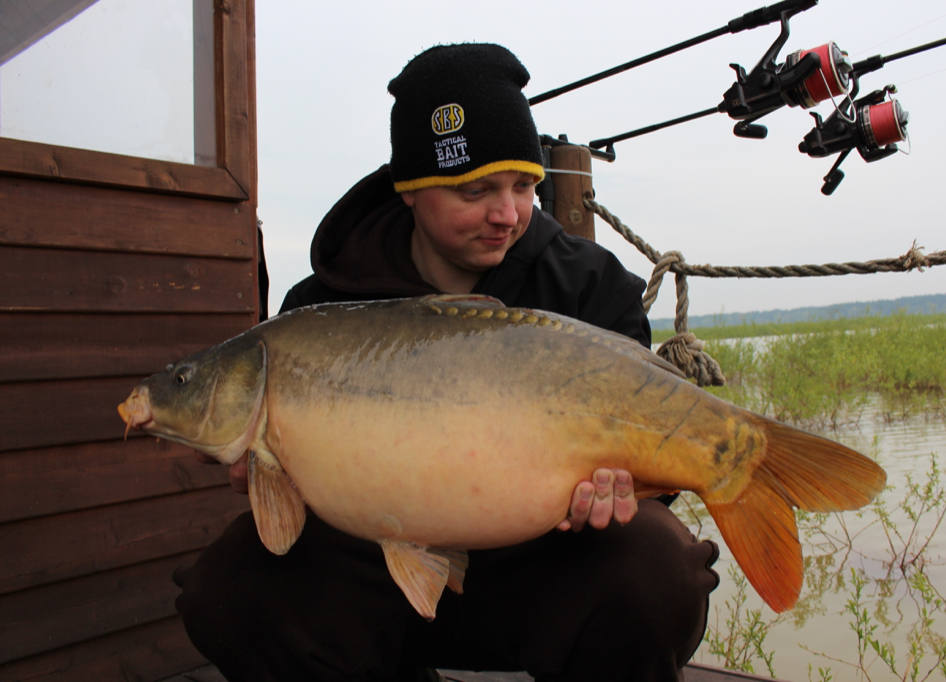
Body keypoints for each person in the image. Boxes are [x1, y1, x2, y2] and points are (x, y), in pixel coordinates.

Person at [173, 43, 719, 682]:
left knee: (660, 569)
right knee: (224, 591)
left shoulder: (591, 287)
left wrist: (625, 489)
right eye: (475, 189)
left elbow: (654, 455)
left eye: (524, 185)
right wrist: (275, 473)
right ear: (410, 189)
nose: (507, 214)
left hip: (543, 563)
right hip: (373, 571)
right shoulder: (319, 310)